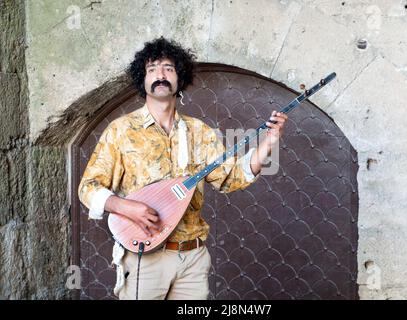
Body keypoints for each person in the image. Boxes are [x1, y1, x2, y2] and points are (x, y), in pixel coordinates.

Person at [78, 37, 288, 300]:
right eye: (152, 69)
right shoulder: (121, 131)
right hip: (145, 256)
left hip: (193, 258)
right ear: (142, 80)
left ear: (180, 77)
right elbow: (88, 188)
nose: (160, 75)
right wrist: (126, 207)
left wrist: (269, 142)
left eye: (168, 68)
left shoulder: (199, 131)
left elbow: (232, 178)